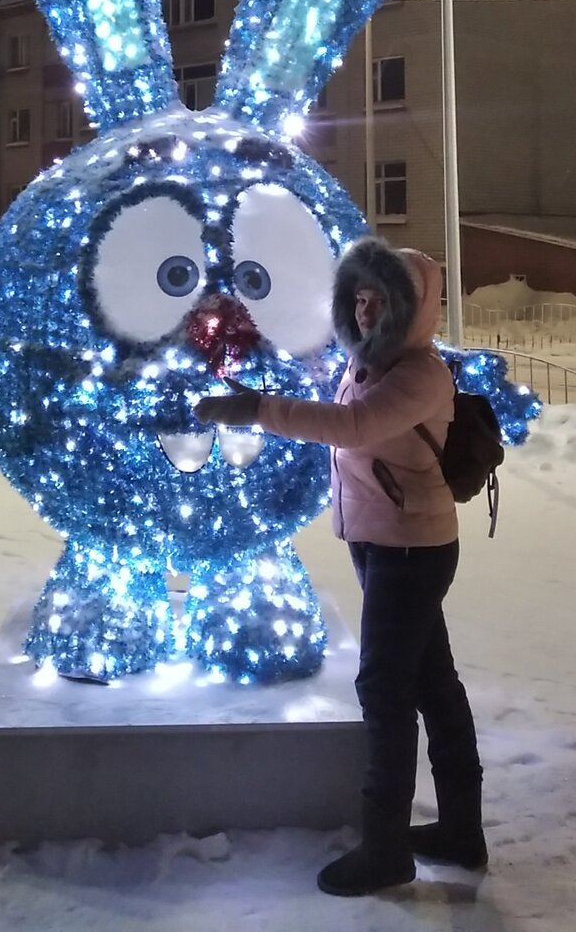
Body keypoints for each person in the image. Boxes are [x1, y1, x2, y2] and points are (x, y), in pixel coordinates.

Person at [195, 236, 486, 898]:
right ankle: (461, 834)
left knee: (385, 691)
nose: (362, 312)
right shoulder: (367, 365)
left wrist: (255, 410)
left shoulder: (418, 376)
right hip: (386, 545)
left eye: (378, 301)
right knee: (432, 686)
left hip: (410, 551)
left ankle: (386, 849)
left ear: (408, 309)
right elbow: (332, 406)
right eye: (356, 299)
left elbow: (350, 428)